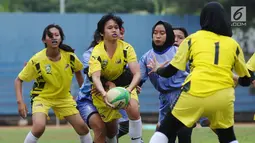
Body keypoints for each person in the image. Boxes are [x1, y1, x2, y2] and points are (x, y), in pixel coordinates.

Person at [148, 2, 251, 143]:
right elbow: (246, 81)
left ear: (203, 19)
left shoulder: (193, 39)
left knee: (165, 130)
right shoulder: (233, 44)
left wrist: (158, 68)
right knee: (227, 137)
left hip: (195, 92)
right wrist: (232, 76)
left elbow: (170, 71)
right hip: (223, 97)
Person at [14, 24, 93, 143]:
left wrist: (83, 93)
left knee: (83, 129)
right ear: (44, 40)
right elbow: (18, 80)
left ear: (61, 38)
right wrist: (20, 102)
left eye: (57, 35)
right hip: (42, 97)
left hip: (64, 98)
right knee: (39, 127)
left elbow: (78, 71)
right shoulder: (37, 60)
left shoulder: (70, 57)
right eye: (50, 35)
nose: (54, 37)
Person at [88, 13, 142, 143]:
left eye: (116, 27)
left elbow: (137, 73)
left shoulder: (127, 48)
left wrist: (128, 90)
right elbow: (95, 77)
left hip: (124, 87)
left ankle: (137, 141)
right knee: (111, 131)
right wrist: (104, 93)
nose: (114, 30)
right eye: (110, 27)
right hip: (103, 92)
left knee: (133, 108)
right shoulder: (96, 52)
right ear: (102, 33)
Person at [139, 21, 192, 143]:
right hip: (164, 99)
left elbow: (193, 73)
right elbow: (138, 79)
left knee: (184, 132)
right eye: (155, 33)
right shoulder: (147, 57)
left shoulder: (179, 52)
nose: (157, 36)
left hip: (183, 95)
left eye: (162, 33)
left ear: (168, 35)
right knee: (167, 136)